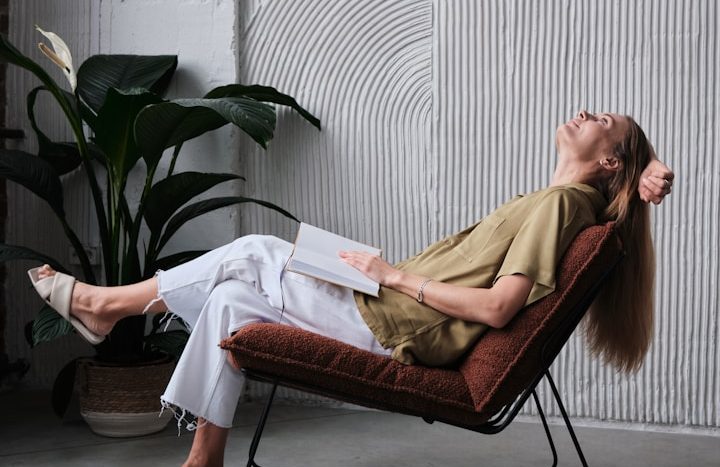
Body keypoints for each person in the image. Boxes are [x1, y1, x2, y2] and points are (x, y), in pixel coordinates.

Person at [28, 110, 674, 467]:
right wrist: (647, 167)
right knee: (228, 300)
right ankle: (205, 460)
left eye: (603, 119)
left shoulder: (563, 205)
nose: (584, 111)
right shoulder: (559, 200)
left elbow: (499, 306)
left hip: (395, 322)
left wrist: (393, 276)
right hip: (384, 300)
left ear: (608, 160)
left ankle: (104, 306)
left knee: (254, 251)